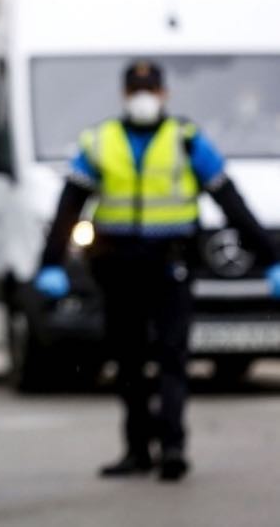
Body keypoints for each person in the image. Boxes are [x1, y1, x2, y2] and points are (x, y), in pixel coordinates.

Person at [35, 60, 280, 482]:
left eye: (149, 89)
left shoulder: (186, 141)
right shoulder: (100, 141)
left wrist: (271, 256)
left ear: (164, 94)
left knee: (171, 358)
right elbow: (68, 206)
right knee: (128, 362)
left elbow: (231, 202)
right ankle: (136, 449)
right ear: (124, 94)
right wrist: (50, 263)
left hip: (171, 267)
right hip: (117, 267)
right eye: (135, 89)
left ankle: (172, 448)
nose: (143, 97)